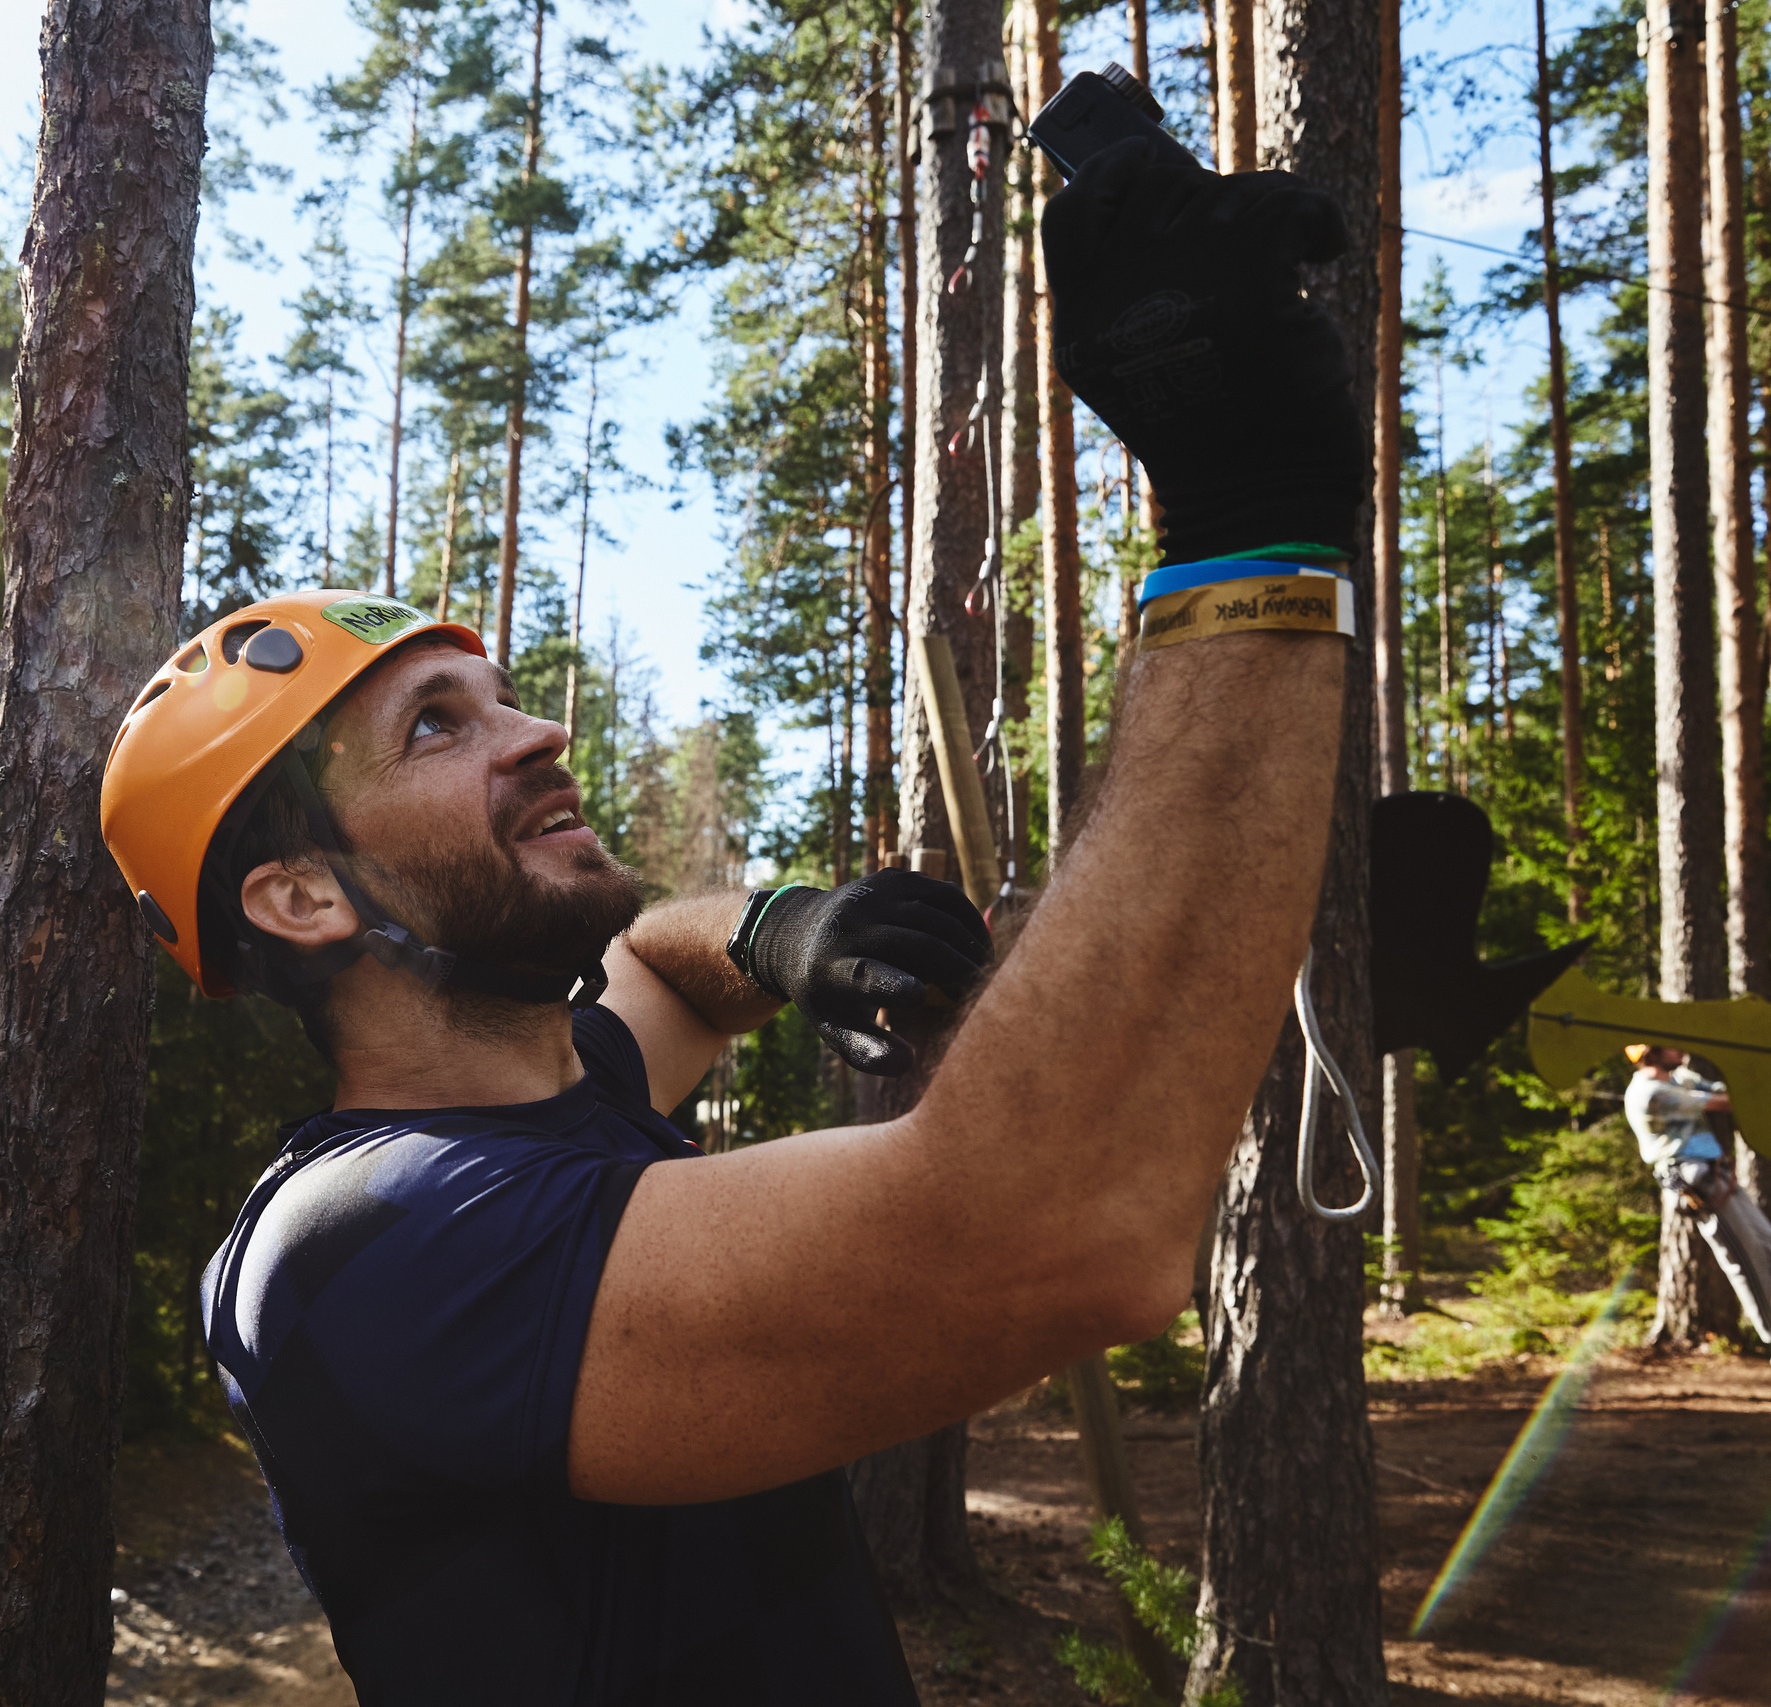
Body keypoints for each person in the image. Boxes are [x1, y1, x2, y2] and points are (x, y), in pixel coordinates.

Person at [100, 135, 1362, 1704]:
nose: (535, 732)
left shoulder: (556, 1098)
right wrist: (1250, 534)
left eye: (504, 697)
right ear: (299, 895)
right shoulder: (361, 1245)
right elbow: (1063, 1224)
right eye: (436, 727)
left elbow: (651, 966)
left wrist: (777, 930)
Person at [1624, 1043, 1771, 1340]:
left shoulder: (1679, 1078)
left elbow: (1724, 1086)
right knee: (1746, 1257)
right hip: (1694, 1177)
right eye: (1670, 1046)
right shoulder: (1650, 1093)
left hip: (1717, 1172)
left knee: (1766, 1243)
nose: (1681, 1049)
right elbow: (1723, 1100)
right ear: (1651, 1053)